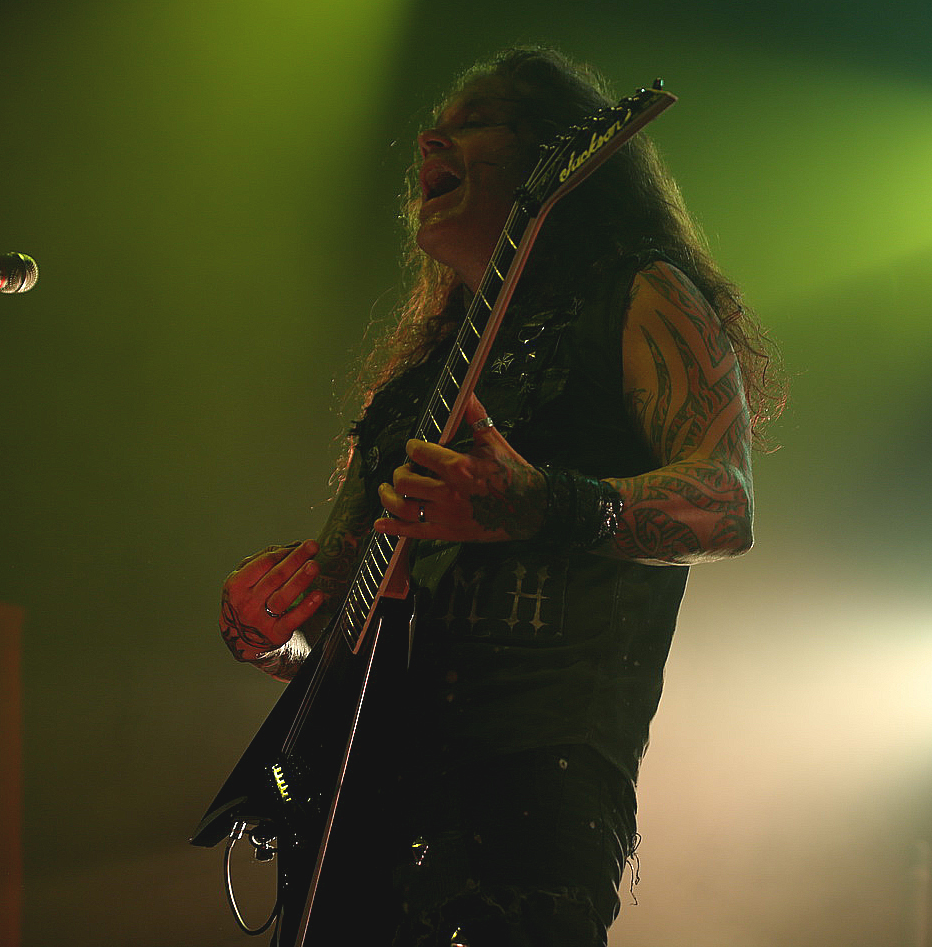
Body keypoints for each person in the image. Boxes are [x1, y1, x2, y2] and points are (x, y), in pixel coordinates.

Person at [216, 47, 782, 946]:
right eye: (435, 124)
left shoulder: (638, 294)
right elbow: (342, 630)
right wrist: (272, 629)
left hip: (531, 790)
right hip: (361, 804)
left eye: (475, 119)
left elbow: (725, 504)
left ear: (554, 154)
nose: (430, 138)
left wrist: (537, 503)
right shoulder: (412, 390)